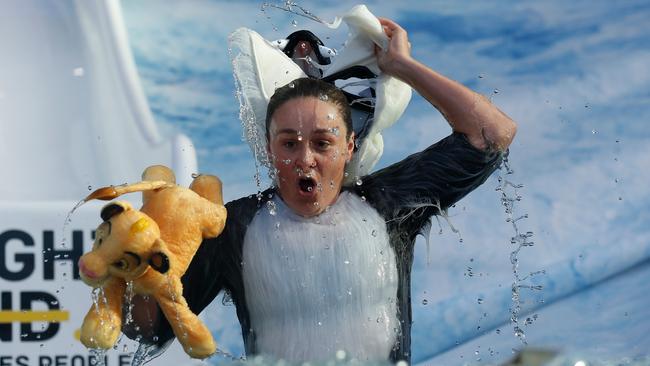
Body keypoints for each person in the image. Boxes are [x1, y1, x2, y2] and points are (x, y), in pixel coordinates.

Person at [128, 17, 516, 363]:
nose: (305, 159)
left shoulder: (388, 204)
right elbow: (148, 330)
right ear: (269, 148)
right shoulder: (234, 228)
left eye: (322, 143)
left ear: (349, 146)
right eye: (289, 143)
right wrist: (147, 265)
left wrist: (402, 66)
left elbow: (492, 135)